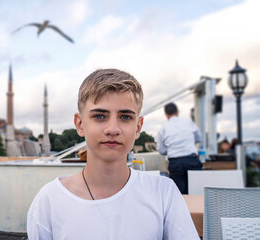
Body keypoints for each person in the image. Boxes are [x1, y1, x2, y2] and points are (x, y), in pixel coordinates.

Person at [27, 69, 199, 239]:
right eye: (100, 116)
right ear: (80, 124)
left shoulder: (164, 193)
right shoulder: (49, 201)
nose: (113, 129)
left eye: (125, 117)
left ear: (138, 127)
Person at [156, 102, 202, 194]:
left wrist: (170, 148)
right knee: (196, 192)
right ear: (177, 112)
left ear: (166, 114)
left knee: (180, 195)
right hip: (192, 159)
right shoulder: (188, 123)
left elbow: (161, 150)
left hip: (175, 162)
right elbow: (199, 138)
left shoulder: (163, 129)